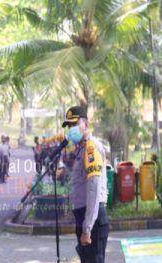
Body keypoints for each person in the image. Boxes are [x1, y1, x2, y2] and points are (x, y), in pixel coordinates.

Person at [61, 106, 109, 263]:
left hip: (92, 221)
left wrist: (87, 228)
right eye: (69, 126)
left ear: (86, 124)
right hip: (84, 217)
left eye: (75, 124)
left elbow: (94, 190)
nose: (71, 129)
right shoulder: (81, 150)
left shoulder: (91, 149)